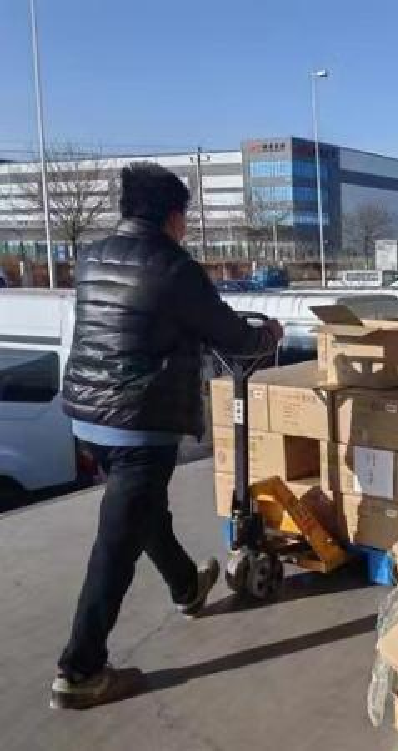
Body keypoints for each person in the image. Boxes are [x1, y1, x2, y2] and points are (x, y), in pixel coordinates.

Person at [52, 163, 283, 710]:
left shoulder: (92, 256)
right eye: (185, 216)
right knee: (117, 545)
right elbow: (232, 336)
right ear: (173, 217)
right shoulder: (175, 268)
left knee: (144, 511)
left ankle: (186, 585)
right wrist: (269, 334)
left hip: (89, 418)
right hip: (140, 423)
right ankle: (80, 670)